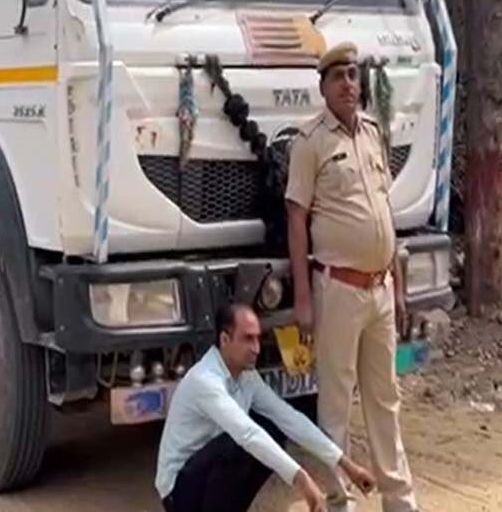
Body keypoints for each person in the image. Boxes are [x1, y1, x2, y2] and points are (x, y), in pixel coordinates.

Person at [285, 41, 419, 512]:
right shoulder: (310, 143)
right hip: (337, 288)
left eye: (352, 75)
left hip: (380, 288)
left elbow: (385, 213)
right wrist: (303, 296)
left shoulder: (372, 133)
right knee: (336, 403)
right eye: (337, 76)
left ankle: (400, 501)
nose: (348, 83)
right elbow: (297, 219)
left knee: (386, 398)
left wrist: (399, 289)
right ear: (322, 87)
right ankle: (339, 503)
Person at [155, 302, 376, 512]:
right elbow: (247, 433)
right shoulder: (205, 380)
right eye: (247, 339)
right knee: (239, 442)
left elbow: (288, 417)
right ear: (224, 339)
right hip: (179, 492)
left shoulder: (247, 375)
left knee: (273, 429)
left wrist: (345, 464)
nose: (256, 348)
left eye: (258, 339)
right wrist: (302, 479)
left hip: (207, 478)